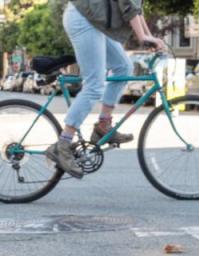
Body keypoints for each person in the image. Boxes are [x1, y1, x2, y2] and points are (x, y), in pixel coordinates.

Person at [46, 0, 165, 179]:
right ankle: (62, 145)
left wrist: (149, 37)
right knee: (95, 85)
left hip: (96, 21)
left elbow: (136, 9)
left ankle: (104, 125)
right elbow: (128, 4)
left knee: (124, 67)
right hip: (84, 18)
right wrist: (143, 38)